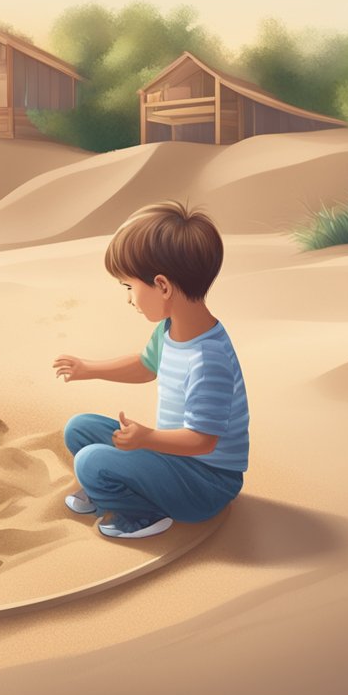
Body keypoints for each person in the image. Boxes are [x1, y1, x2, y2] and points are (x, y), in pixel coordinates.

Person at [52, 200, 249, 539]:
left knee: (90, 462)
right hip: (171, 457)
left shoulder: (208, 359)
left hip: (206, 484)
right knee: (80, 429)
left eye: (130, 287)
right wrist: (89, 368)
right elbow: (146, 366)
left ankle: (141, 511)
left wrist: (147, 438)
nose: (130, 299)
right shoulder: (169, 329)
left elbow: (203, 441)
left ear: (162, 286)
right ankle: (113, 485)